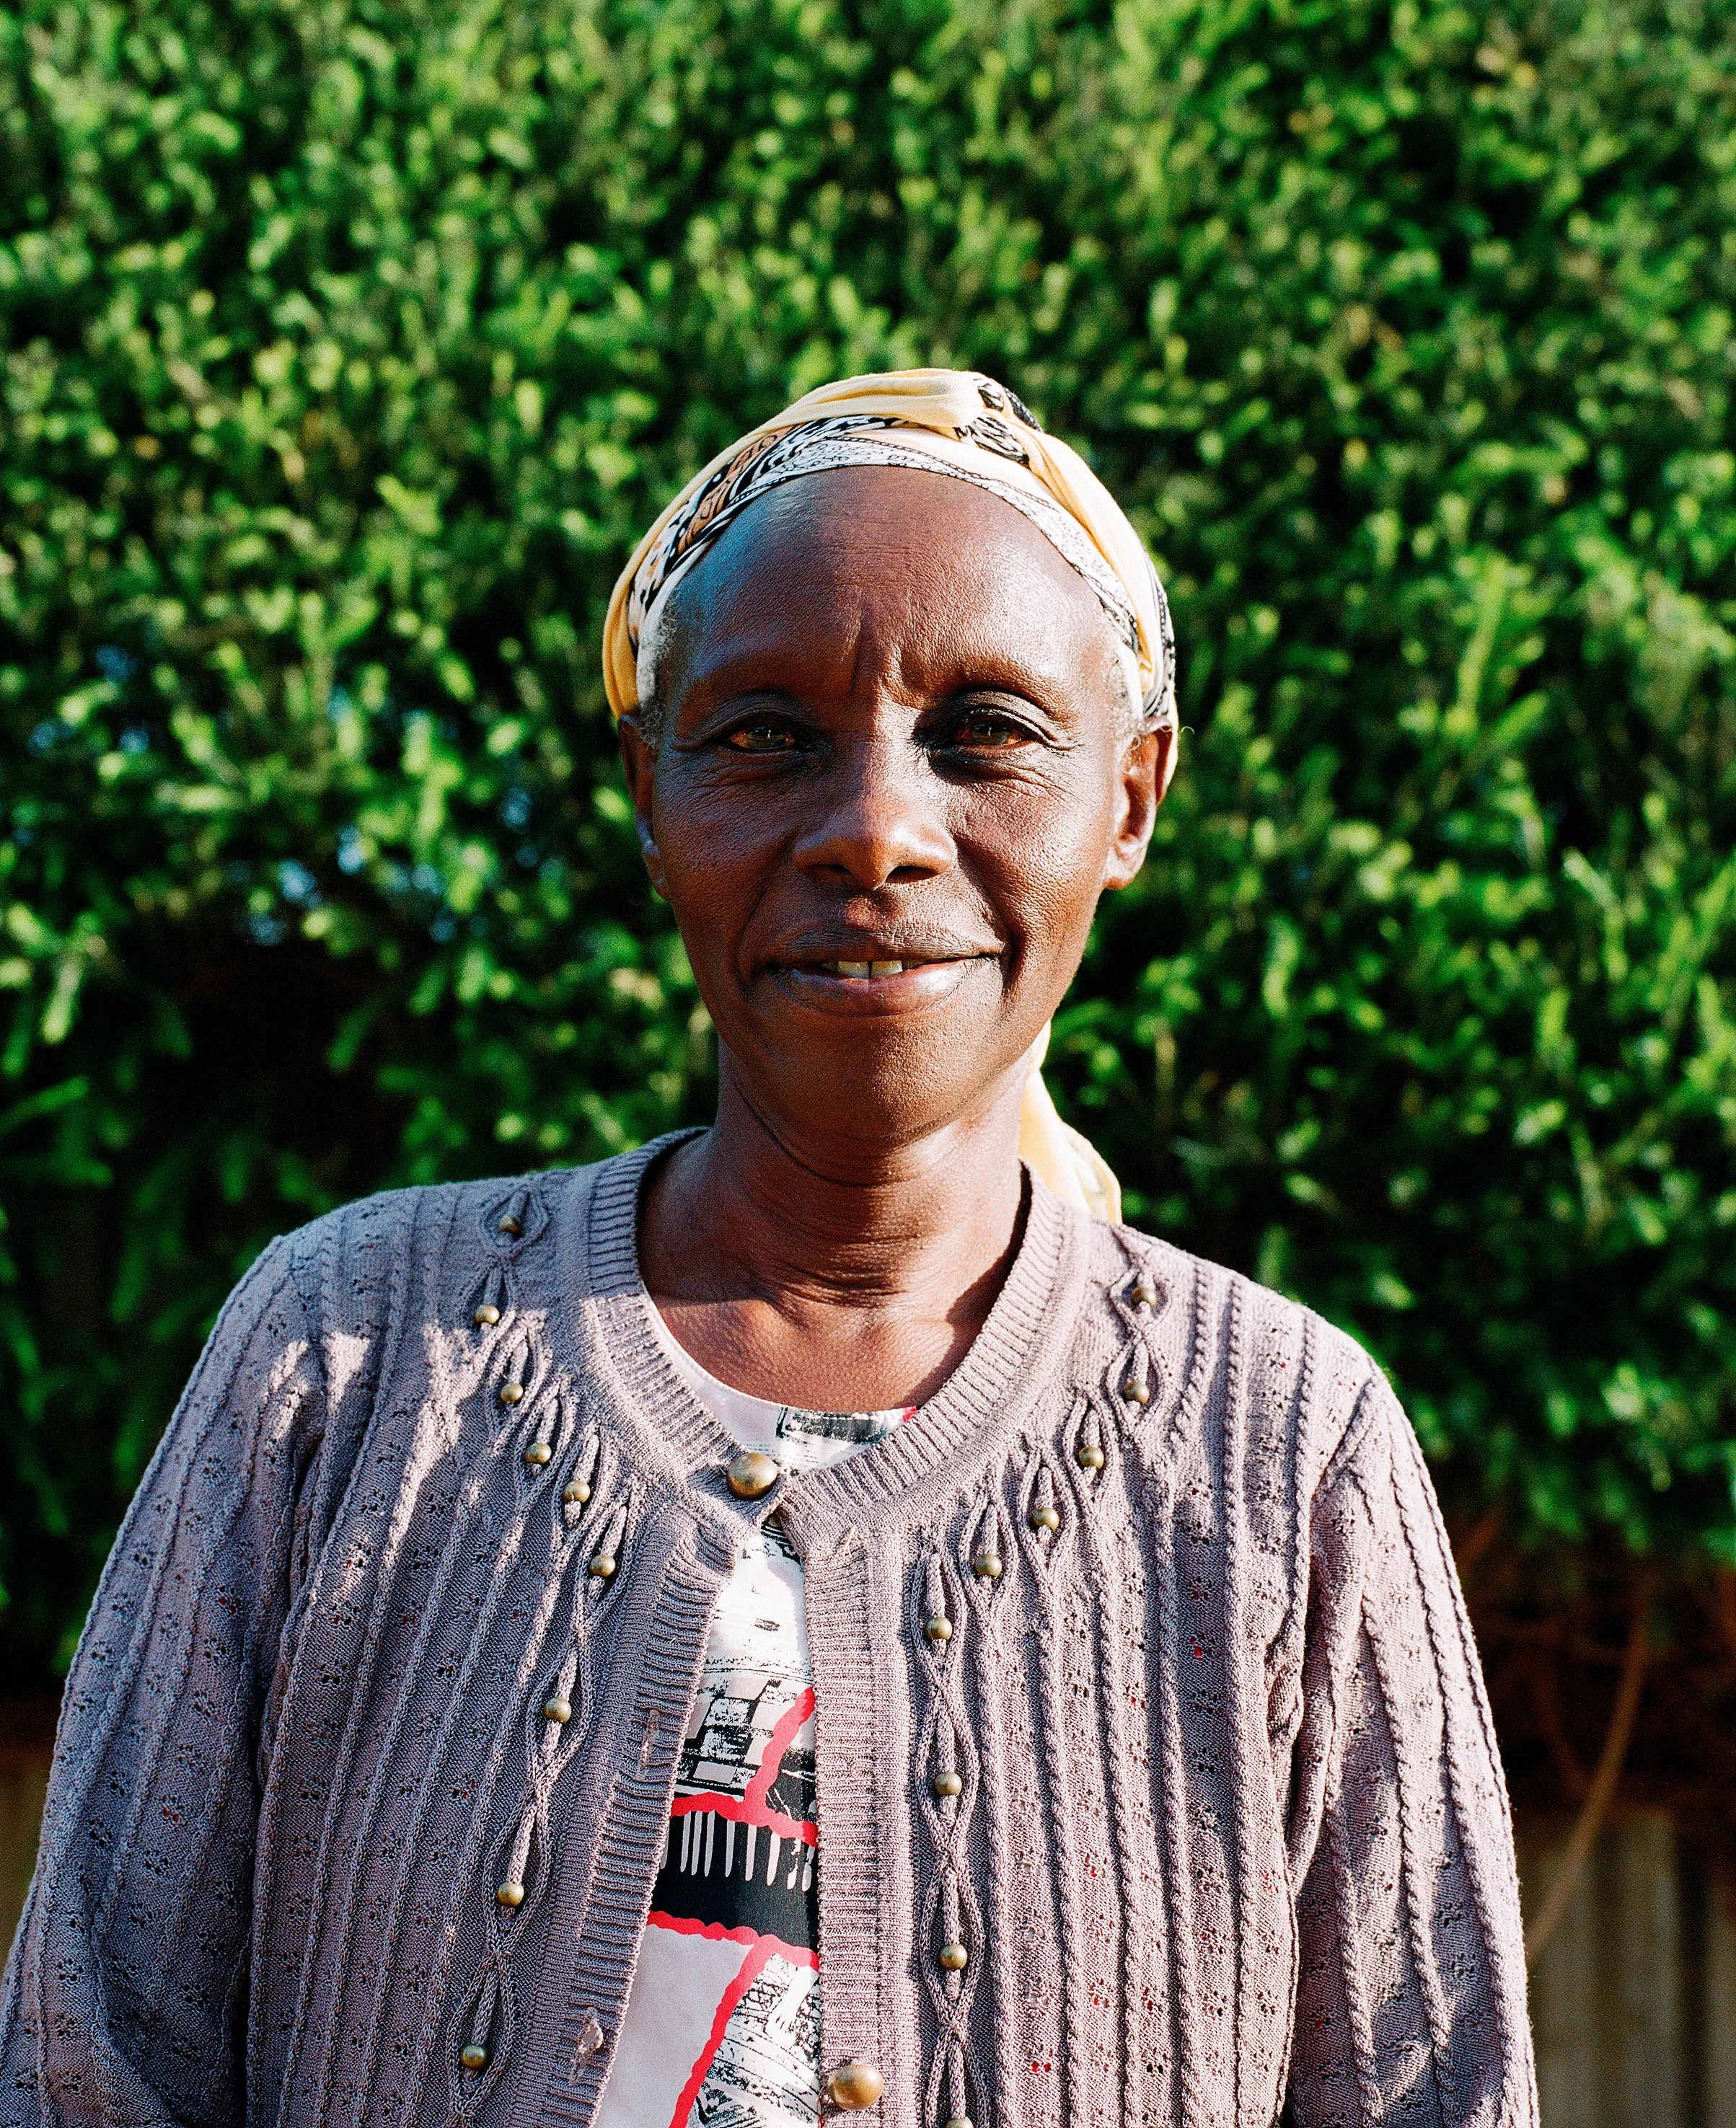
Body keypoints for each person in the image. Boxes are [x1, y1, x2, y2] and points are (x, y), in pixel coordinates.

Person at [0, 370, 1535, 2128]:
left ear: (1129, 800)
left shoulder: (1286, 1446)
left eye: (985, 731)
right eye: (762, 734)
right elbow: (85, 2068)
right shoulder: (343, 1354)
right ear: (654, 802)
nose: (876, 826)